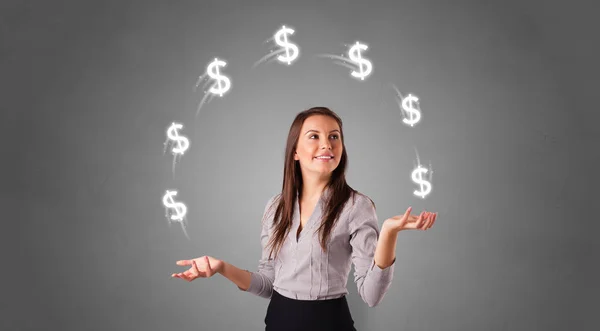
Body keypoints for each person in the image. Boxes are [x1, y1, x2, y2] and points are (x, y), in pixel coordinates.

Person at [172, 107, 437, 331]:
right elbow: (267, 285)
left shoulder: (357, 206)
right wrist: (220, 267)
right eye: (314, 136)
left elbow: (371, 295)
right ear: (295, 151)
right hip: (277, 322)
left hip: (331, 323)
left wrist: (389, 232)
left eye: (334, 137)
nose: (327, 144)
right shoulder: (276, 207)